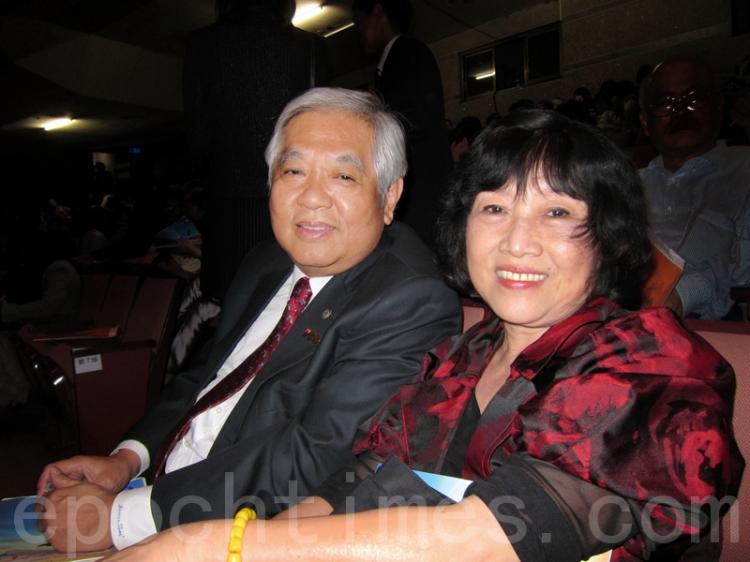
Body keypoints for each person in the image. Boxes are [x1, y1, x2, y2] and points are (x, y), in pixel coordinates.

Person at [101, 111, 743, 562]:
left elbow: (502, 536)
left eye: (556, 213)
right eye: (493, 208)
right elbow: (358, 482)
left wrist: (221, 546)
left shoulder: (653, 363)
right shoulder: (464, 356)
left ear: (607, 238)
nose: (517, 241)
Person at [37, 88, 461, 553]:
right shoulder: (267, 262)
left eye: (343, 175)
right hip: (155, 488)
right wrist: (126, 459)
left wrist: (121, 519)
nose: (312, 198)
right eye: (293, 171)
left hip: (237, 531)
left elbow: (316, 453)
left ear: (390, 195)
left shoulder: (410, 298)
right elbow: (206, 374)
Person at [184, 0, 326, 302]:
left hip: (226, 209)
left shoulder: (201, 45)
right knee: (289, 302)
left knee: (230, 309)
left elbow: (197, 141)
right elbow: (320, 134)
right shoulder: (308, 46)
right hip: (292, 204)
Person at [639, 55, 750, 319]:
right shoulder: (626, 184)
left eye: (693, 99)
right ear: (645, 121)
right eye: (666, 103)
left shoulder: (744, 170)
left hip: (715, 325)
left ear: (718, 107)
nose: (680, 111)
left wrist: (686, 292)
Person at [352, 0, 451, 246]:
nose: (359, 32)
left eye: (359, 22)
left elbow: (418, 118)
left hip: (421, 199)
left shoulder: (408, 52)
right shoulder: (390, 64)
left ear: (376, 13)